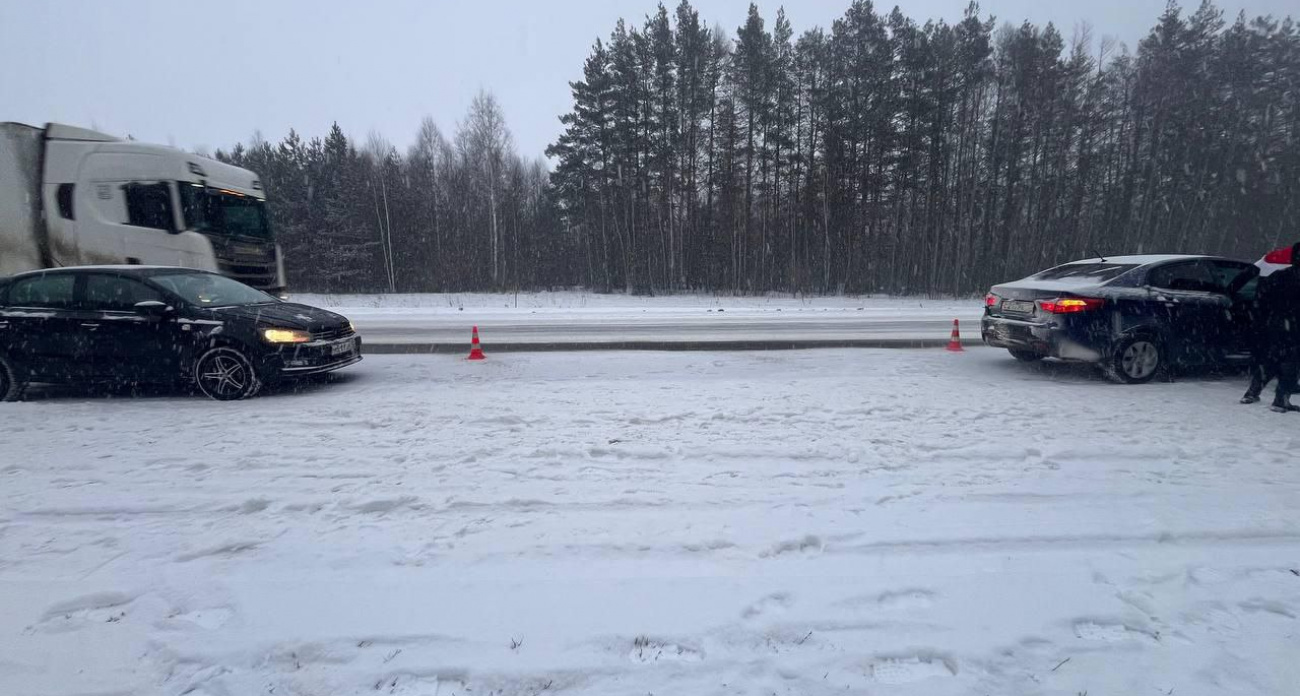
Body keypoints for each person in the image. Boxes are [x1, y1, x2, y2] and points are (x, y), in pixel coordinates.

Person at [1252, 242, 1300, 412]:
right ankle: (1281, 398)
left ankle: (1252, 391)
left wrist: (1267, 318)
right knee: (1291, 363)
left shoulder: (1279, 275)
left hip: (1276, 324)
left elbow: (1262, 298)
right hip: (1294, 326)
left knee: (1272, 358)